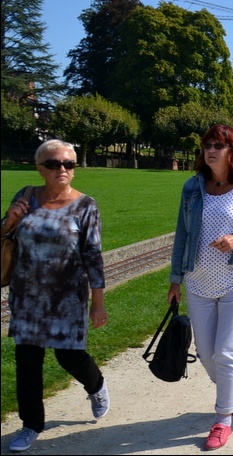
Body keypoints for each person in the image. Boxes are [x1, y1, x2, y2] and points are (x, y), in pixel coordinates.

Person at [167, 124, 233, 451]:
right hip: (198, 283)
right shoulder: (193, 187)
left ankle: (223, 418)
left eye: (219, 145)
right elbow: (182, 234)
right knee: (205, 353)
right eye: (207, 145)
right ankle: (228, 383)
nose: (211, 150)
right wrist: (175, 279)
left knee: (226, 353)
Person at [3, 139, 109, 453]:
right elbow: (5, 236)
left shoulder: (85, 206)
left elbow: (93, 256)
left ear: (74, 169)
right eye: (53, 163)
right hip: (27, 297)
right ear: (40, 168)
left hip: (67, 299)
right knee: (27, 362)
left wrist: (98, 303)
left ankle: (96, 385)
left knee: (69, 356)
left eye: (68, 164)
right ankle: (31, 425)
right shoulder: (25, 196)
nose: (61, 169)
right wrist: (9, 221)